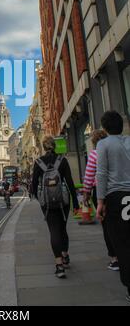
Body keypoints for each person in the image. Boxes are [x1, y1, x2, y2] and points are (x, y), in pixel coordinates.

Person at [32, 136, 79, 279]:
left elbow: (34, 186)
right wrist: (75, 203)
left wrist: (41, 200)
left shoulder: (38, 162)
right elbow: (70, 182)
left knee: (54, 231)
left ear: (44, 148)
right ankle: (65, 256)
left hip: (47, 203)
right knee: (63, 228)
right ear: (55, 146)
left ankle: (59, 266)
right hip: (63, 201)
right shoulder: (62, 160)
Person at [96, 111, 130, 303]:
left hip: (115, 199)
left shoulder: (103, 144)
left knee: (122, 244)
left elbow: (101, 173)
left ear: (105, 128)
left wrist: (100, 201)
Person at [83, 129, 119, 271]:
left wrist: (86, 193)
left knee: (107, 225)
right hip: (118, 190)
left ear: (94, 142)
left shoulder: (94, 154)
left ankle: (114, 258)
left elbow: (89, 176)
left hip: (102, 192)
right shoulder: (116, 151)